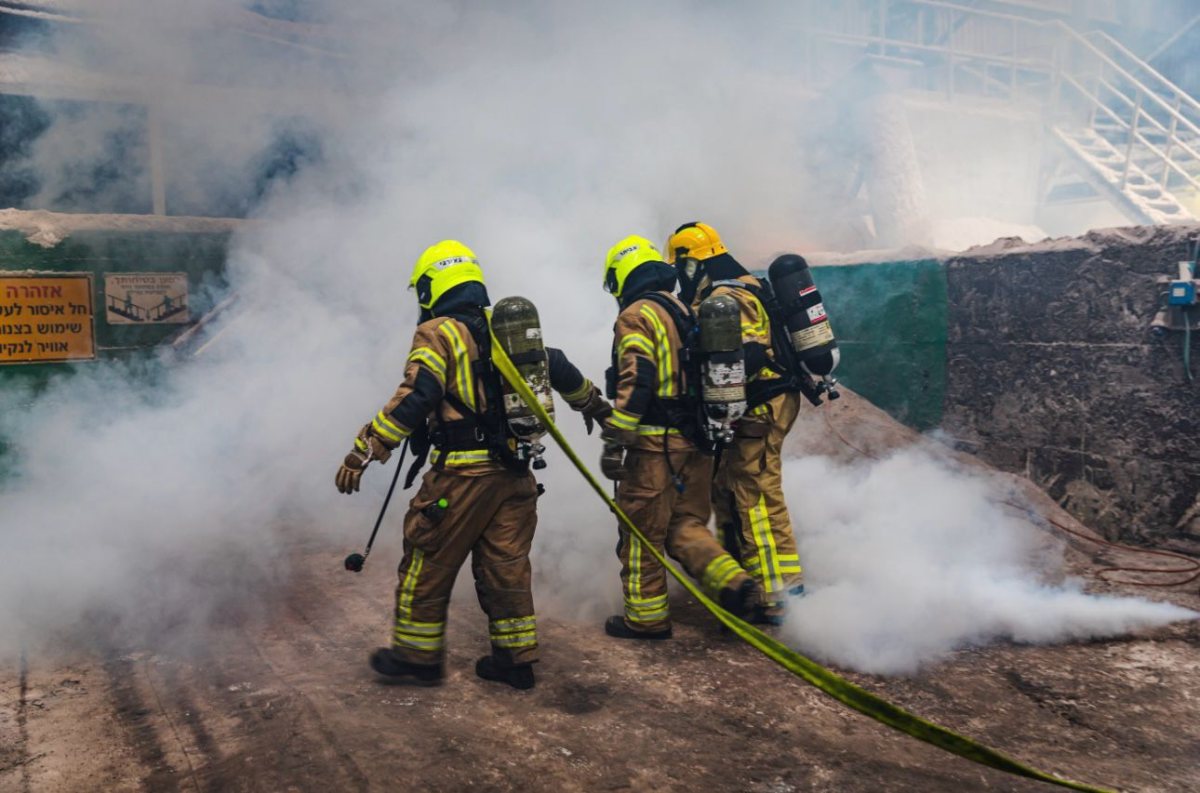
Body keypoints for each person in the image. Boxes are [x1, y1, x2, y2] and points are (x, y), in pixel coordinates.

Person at [335, 240, 611, 689]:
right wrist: (594, 406)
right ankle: (514, 660)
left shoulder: (438, 333)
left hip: (461, 477)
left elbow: (419, 393)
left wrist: (365, 449)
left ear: (432, 286)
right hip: (516, 476)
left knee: (427, 559)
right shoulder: (504, 329)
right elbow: (555, 364)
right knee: (506, 566)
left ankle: (416, 657)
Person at [598, 234, 761, 639]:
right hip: (697, 441)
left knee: (641, 533)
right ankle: (735, 584)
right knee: (685, 525)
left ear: (623, 277)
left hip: (655, 447)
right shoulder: (686, 310)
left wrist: (616, 439)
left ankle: (646, 618)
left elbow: (638, 379)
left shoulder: (636, 316)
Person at [665, 222, 803, 625]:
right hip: (760, 405)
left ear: (691, 264)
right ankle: (747, 584)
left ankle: (780, 595)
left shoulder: (728, 296)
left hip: (761, 407)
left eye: (681, 268)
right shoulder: (744, 284)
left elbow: (750, 357)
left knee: (755, 495)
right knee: (729, 490)